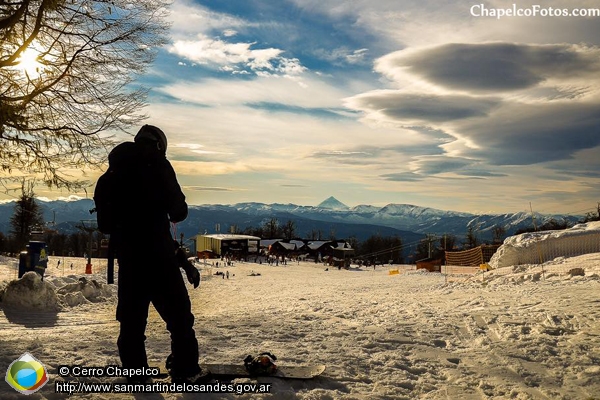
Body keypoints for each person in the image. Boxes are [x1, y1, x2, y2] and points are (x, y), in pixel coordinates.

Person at [106, 124, 204, 384]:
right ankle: (185, 370)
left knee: (132, 325)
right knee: (180, 319)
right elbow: (178, 211)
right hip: (159, 259)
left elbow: (106, 223)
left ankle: (136, 375)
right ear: (160, 144)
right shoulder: (158, 165)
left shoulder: (115, 171)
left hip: (129, 260)